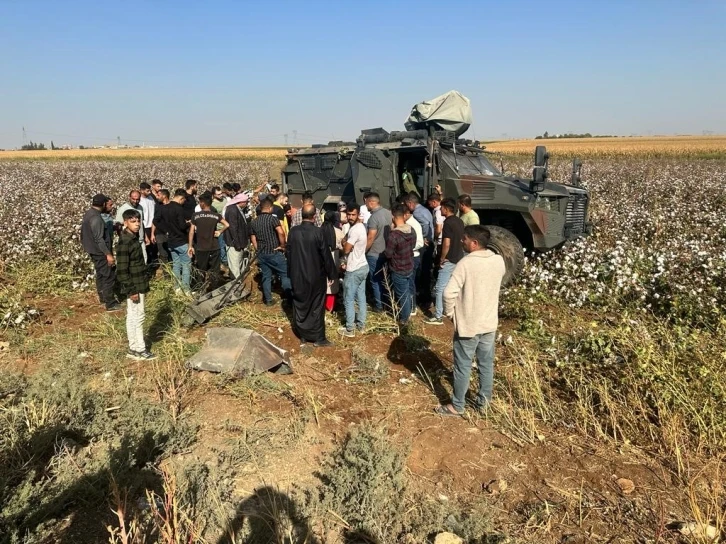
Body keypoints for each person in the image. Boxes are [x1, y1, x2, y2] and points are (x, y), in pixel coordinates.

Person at [435, 225, 505, 416]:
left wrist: (450, 314)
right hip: (489, 323)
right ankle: (484, 403)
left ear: (474, 243)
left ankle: (457, 406)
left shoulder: (466, 264)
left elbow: (448, 293)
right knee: (485, 364)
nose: (461, 241)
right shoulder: (498, 261)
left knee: (463, 366)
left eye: (464, 239)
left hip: (468, 325)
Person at [286, 204, 337, 347]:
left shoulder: (293, 231)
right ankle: (319, 338)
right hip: (315, 275)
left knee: (300, 304)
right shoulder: (318, 232)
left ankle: (302, 335)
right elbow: (325, 255)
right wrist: (331, 272)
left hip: (297, 275)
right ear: (314, 216)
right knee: (316, 306)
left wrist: (290, 272)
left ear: (302, 215)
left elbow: (288, 253)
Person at [116, 209, 157, 361]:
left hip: (138, 282)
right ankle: (140, 349)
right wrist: (131, 290)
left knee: (132, 315)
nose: (137, 224)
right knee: (139, 316)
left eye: (138, 221)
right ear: (125, 222)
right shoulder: (125, 242)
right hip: (135, 285)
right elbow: (122, 270)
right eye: (133, 221)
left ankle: (133, 347)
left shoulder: (132, 238)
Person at [425, 198, 466, 325]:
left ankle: (438, 316)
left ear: (446, 209)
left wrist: (442, 258)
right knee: (453, 286)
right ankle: (448, 309)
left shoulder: (448, 223)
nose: (440, 209)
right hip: (459, 257)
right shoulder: (459, 221)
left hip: (449, 259)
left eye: (441, 207)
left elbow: (446, 243)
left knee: (440, 288)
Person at [81, 194, 120, 311]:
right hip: (100, 251)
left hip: (93, 250)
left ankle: (103, 297)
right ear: (103, 204)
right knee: (108, 275)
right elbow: (99, 239)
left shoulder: (89, 214)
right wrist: (108, 254)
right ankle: (110, 303)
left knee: (101, 274)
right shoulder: (96, 218)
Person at [251, 198, 291, 306]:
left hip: (262, 253)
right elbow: (281, 232)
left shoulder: (255, 221)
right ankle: (289, 298)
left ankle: (268, 300)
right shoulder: (272, 219)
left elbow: (253, 237)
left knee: (266, 276)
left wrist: (257, 248)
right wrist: (282, 246)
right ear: (270, 208)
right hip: (274, 251)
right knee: (285, 274)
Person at [337, 203, 368, 337]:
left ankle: (350, 329)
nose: (350, 217)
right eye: (348, 214)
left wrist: (344, 245)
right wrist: (346, 243)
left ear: (358, 214)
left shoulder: (355, 230)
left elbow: (346, 249)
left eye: (353, 214)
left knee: (348, 299)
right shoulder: (358, 227)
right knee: (361, 296)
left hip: (354, 268)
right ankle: (361, 324)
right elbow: (345, 240)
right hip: (363, 265)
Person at [188, 193, 229, 293]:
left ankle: (199, 290)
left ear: (202, 203)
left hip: (202, 247)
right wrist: (220, 231)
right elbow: (227, 224)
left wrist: (190, 246)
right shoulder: (215, 215)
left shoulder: (196, 216)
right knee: (215, 270)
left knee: (201, 270)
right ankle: (214, 289)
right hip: (214, 246)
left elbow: (191, 231)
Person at [384, 204, 416, 326]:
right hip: (409, 265)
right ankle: (408, 313)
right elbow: (412, 246)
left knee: (402, 295)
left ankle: (404, 319)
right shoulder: (411, 229)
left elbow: (388, 254)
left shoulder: (394, 235)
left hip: (398, 268)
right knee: (407, 291)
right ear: (404, 216)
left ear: (393, 216)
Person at [403, 192, 435, 309]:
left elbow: (425, 223)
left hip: (425, 245)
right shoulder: (425, 209)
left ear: (411, 203)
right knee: (425, 272)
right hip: (429, 243)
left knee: (422, 272)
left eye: (407, 204)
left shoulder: (416, 212)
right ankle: (426, 298)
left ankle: (423, 299)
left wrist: (424, 236)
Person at [364, 192, 392, 313]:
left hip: (374, 252)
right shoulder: (388, 213)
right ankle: (387, 303)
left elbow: (370, 237)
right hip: (386, 251)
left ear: (371, 202)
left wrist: (364, 251)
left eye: (366, 204)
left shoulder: (373, 218)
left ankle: (379, 306)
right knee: (385, 279)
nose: (366, 206)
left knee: (375, 280)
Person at [166, 189, 192, 293]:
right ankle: (186, 289)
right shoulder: (179, 209)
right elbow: (182, 226)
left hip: (171, 241)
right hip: (180, 241)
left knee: (176, 265)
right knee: (186, 266)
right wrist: (188, 223)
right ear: (181, 198)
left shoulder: (166, 207)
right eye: (184, 200)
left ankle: (176, 288)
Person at [115, 190, 148, 264]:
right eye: (133, 199)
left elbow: (141, 223)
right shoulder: (123, 209)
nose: (135, 201)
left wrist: (145, 236)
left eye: (138, 199)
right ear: (129, 197)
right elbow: (118, 226)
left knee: (144, 260)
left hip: (140, 240)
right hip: (130, 241)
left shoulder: (140, 207)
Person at [223, 193, 251, 279]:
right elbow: (233, 228)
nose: (247, 204)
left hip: (240, 242)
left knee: (239, 263)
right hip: (234, 243)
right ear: (241, 202)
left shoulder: (237, 209)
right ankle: (236, 285)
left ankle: (239, 282)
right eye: (246, 202)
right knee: (235, 265)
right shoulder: (232, 210)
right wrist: (237, 244)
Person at [403, 204, 424, 316]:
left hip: (413, 256)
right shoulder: (408, 223)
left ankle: (412, 307)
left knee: (410, 283)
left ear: (406, 214)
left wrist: (406, 247)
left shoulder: (413, 225)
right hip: (410, 256)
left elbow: (419, 243)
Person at [321, 211, 343, 312]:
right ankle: (330, 307)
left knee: (323, 282)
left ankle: (322, 305)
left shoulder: (319, 230)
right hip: (334, 258)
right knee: (333, 285)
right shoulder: (338, 232)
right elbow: (343, 246)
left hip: (321, 260)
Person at [151, 189, 172, 265]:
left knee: (170, 252)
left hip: (170, 233)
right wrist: (152, 233)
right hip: (159, 233)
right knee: (163, 254)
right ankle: (166, 273)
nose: (157, 197)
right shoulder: (157, 205)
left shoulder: (172, 206)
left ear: (164, 196)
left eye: (158, 195)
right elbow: (155, 220)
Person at [139, 182, 157, 266]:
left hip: (153, 225)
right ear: (142, 191)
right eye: (147, 191)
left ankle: (154, 263)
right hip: (145, 226)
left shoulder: (151, 198)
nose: (149, 192)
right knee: (147, 246)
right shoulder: (139, 201)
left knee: (154, 246)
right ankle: (148, 264)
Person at [211, 187, 229, 268]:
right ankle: (224, 261)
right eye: (218, 194)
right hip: (219, 228)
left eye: (221, 193)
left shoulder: (225, 200)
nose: (221, 195)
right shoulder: (213, 204)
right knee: (221, 245)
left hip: (228, 225)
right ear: (214, 195)